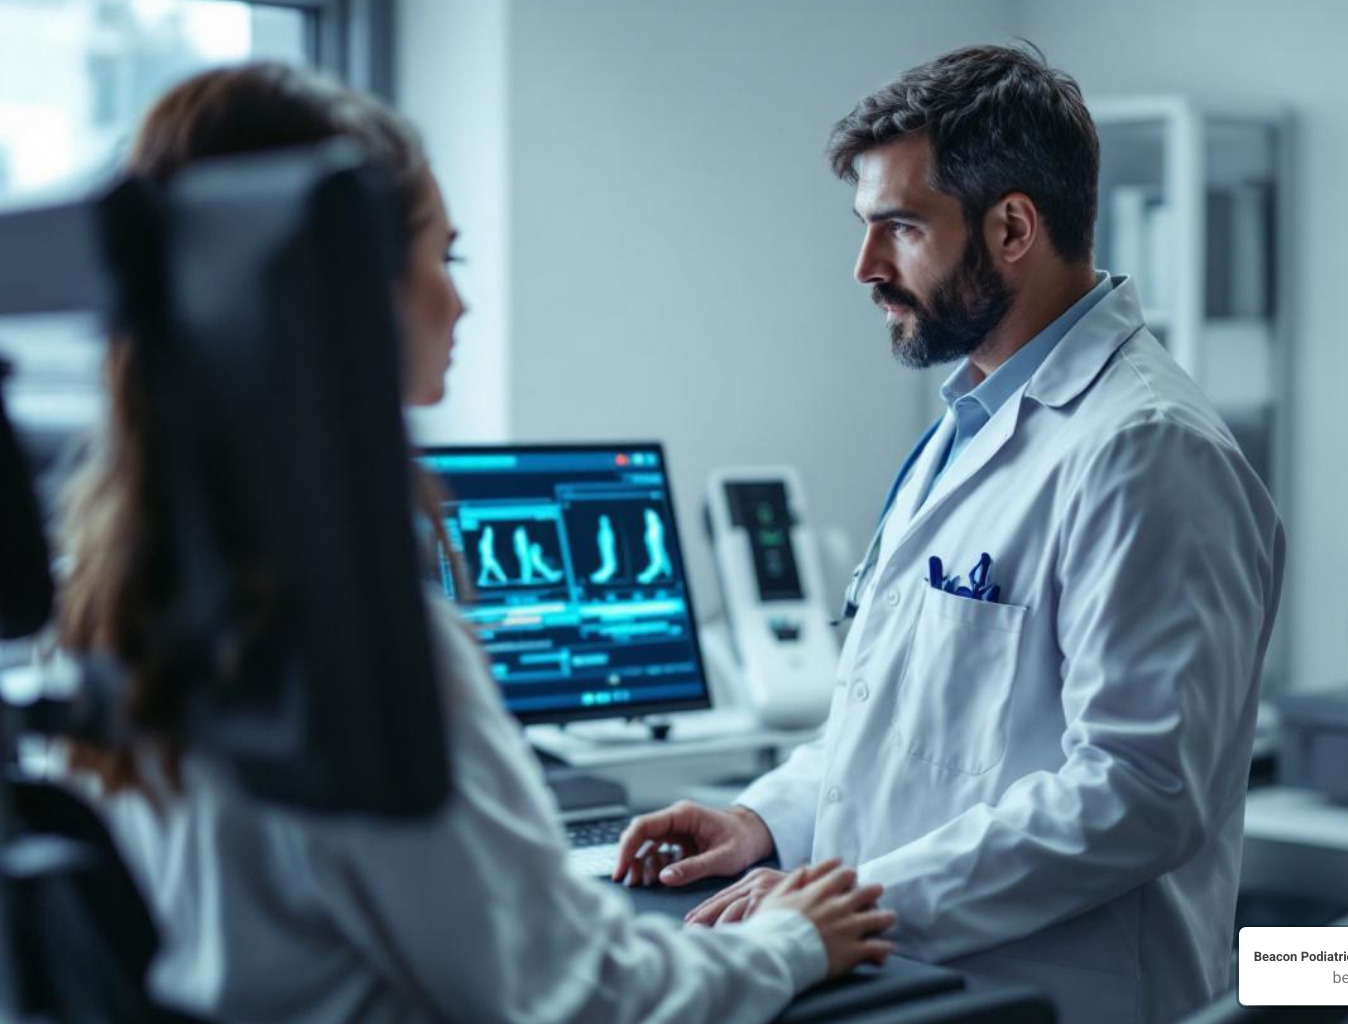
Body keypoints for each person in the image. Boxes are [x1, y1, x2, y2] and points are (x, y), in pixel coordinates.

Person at [56, 63, 894, 1024]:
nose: (460, 305)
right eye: (443, 260)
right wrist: (791, 939)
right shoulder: (367, 653)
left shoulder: (106, 620)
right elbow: (577, 999)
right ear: (346, 292)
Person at [613, 42, 1286, 1024]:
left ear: (1013, 226)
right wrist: (764, 820)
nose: (865, 267)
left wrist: (851, 904)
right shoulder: (966, 421)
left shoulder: (1146, 449)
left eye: (899, 228)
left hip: (1056, 997)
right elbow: (899, 735)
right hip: (925, 983)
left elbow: (1138, 791)